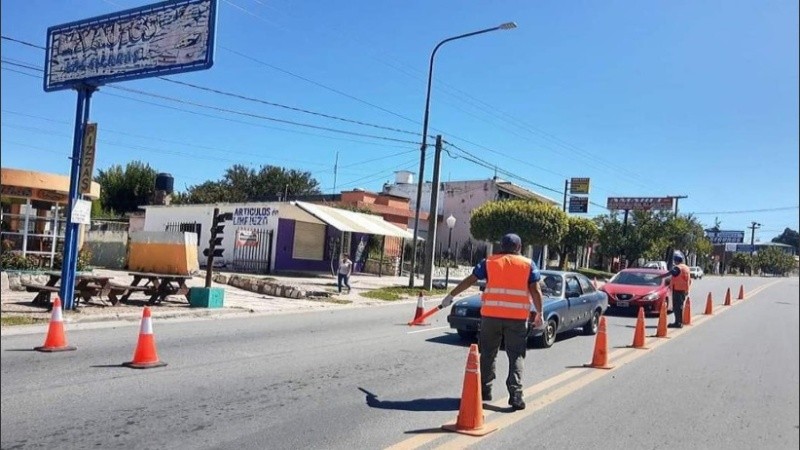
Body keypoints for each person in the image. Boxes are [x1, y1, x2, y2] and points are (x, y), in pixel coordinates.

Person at [440, 233, 543, 411]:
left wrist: (451, 295)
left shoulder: (488, 262)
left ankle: (484, 391)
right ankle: (516, 395)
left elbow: (470, 280)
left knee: (488, 353)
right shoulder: (528, 264)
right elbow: (535, 290)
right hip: (517, 319)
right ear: (519, 247)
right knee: (516, 356)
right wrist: (539, 313)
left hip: (491, 317)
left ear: (500, 246)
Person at [656, 251, 692, 328]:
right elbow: (689, 280)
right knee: (680, 306)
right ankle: (679, 322)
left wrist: (659, 277)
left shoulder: (678, 268)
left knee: (677, 307)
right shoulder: (686, 268)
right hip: (684, 290)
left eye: (675, 261)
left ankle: (678, 323)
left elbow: (670, 273)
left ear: (676, 261)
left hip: (677, 290)